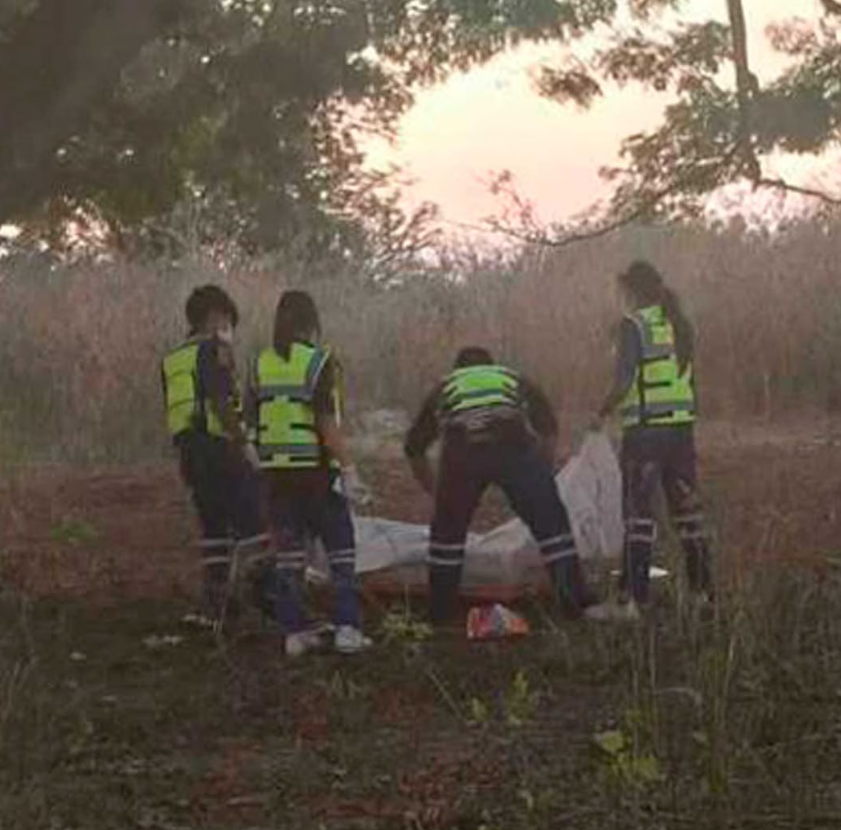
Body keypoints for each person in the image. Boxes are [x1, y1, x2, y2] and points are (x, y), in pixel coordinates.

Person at [404, 346, 597, 625]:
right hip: (513, 445)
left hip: (462, 451)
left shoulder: (445, 387)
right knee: (552, 525)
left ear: (458, 369)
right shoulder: (511, 378)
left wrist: (437, 492)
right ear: (491, 365)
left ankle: (440, 612)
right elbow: (548, 427)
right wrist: (540, 474)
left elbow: (414, 447)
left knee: (447, 536)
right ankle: (574, 602)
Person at [245, 290, 373, 657]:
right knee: (341, 549)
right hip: (315, 472)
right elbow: (325, 421)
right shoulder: (319, 362)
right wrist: (349, 469)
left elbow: (253, 419)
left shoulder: (259, 364)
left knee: (289, 555)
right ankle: (347, 627)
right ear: (311, 322)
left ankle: (295, 632)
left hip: (276, 474)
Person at [586, 260, 714, 622]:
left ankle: (632, 602)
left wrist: (600, 414)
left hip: (645, 434)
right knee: (688, 515)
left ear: (632, 291)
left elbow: (624, 380)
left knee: (639, 517)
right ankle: (703, 596)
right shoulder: (680, 324)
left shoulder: (634, 326)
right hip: (680, 431)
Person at [161, 285, 266, 629]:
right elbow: (221, 401)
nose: (229, 329)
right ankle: (272, 599)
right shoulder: (214, 349)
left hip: (190, 454)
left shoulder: (173, 358)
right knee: (254, 521)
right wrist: (245, 442)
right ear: (216, 316)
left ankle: (217, 606)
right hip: (221, 450)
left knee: (214, 528)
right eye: (227, 320)